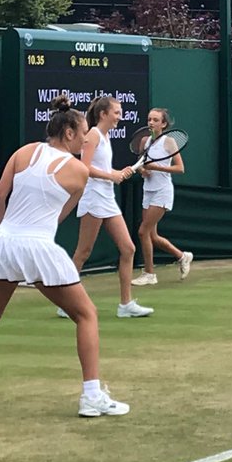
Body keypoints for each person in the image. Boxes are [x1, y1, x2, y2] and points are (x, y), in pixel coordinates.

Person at [0, 95, 128, 418]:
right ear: (68, 133)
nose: (85, 139)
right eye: (82, 134)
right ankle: (92, 396)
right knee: (87, 315)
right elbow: (57, 217)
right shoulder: (79, 171)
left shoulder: (23, 152)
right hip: (36, 246)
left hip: (3, 244)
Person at [57, 95, 153, 320]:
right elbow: (84, 168)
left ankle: (126, 304)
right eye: (116, 112)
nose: (120, 116)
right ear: (103, 114)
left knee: (128, 248)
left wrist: (119, 172)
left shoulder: (105, 136)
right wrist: (112, 176)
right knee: (83, 252)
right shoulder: (92, 135)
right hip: (93, 198)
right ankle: (64, 302)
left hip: (107, 198)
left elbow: (102, 167)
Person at [131, 108, 194, 286]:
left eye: (156, 120)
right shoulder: (144, 141)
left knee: (143, 231)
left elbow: (180, 168)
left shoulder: (169, 142)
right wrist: (143, 171)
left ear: (164, 124)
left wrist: (156, 168)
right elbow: (141, 164)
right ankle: (182, 256)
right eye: (149, 119)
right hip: (148, 190)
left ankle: (149, 274)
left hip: (162, 191)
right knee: (152, 236)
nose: (151, 123)